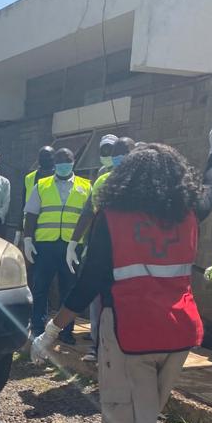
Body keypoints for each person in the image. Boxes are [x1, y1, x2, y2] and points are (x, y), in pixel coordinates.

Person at [31, 111, 212, 423]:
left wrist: (51, 330)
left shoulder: (112, 218)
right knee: (139, 420)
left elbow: (86, 285)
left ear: (130, 178)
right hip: (179, 333)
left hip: (129, 336)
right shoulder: (190, 209)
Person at [68, 135, 136, 362]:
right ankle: (98, 348)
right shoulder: (102, 180)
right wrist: (74, 243)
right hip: (104, 256)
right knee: (100, 306)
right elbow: (89, 212)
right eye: (113, 154)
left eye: (122, 153)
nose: (116, 159)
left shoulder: (145, 182)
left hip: (134, 259)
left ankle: (126, 351)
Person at [23, 148, 91, 343]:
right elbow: (32, 214)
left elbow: (90, 217)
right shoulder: (42, 185)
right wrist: (27, 239)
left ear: (73, 161)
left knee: (69, 289)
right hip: (45, 245)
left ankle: (65, 331)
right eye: (59, 160)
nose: (63, 163)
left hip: (72, 247)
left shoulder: (86, 186)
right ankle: (37, 328)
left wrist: (86, 244)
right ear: (55, 163)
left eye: (67, 159)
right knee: (40, 287)